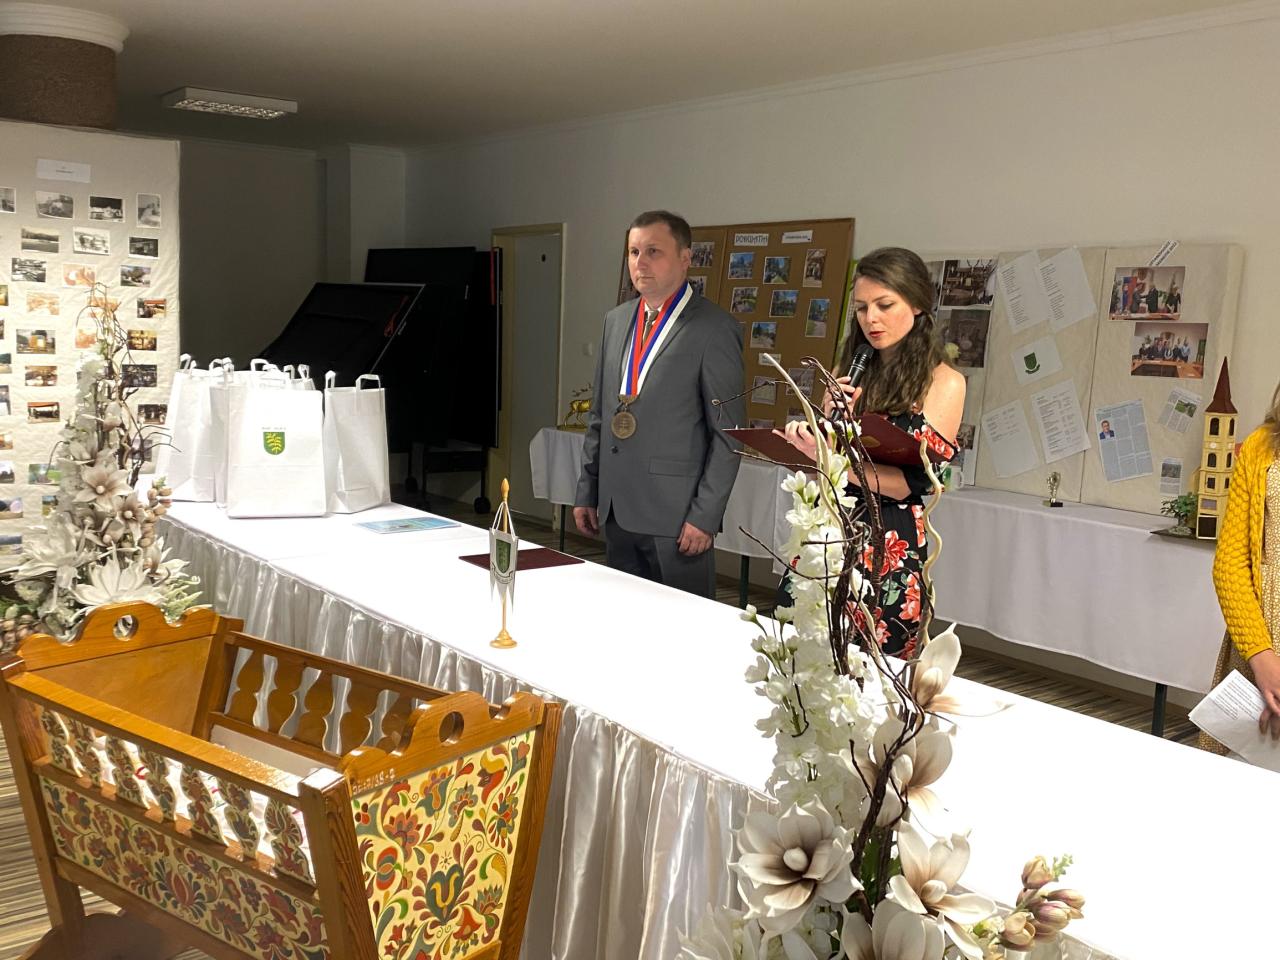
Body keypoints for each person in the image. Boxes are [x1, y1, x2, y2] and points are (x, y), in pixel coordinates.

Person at [778, 247, 965, 657]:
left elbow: (909, 484)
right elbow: (825, 467)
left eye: (884, 305)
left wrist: (836, 461)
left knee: (875, 664)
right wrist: (817, 433)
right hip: (830, 526)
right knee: (804, 653)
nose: (871, 319)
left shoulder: (944, 382)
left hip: (887, 539)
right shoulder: (851, 370)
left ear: (917, 304)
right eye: (861, 308)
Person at [573, 210, 744, 598]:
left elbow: (729, 436)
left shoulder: (714, 328)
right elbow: (600, 415)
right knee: (624, 617)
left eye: (653, 251)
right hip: (616, 509)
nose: (640, 263)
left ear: (685, 258)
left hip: (677, 519)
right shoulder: (616, 321)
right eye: (634, 252)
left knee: (682, 625)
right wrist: (588, 490)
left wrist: (705, 516)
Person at [1201, 380, 1280, 753]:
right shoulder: (1262, 446)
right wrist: (1261, 658)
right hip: (1258, 634)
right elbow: (1229, 563)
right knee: (1241, 762)